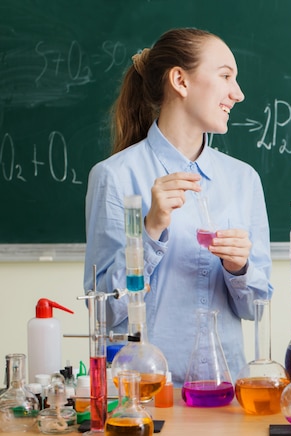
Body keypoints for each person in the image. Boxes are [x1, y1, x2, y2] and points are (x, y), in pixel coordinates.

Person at [83, 28, 273, 386]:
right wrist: (149, 230)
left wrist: (239, 268)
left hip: (224, 390)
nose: (238, 93)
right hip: (146, 394)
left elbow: (255, 307)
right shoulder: (115, 177)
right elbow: (103, 312)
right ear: (180, 81)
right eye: (226, 76)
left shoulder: (243, 179)